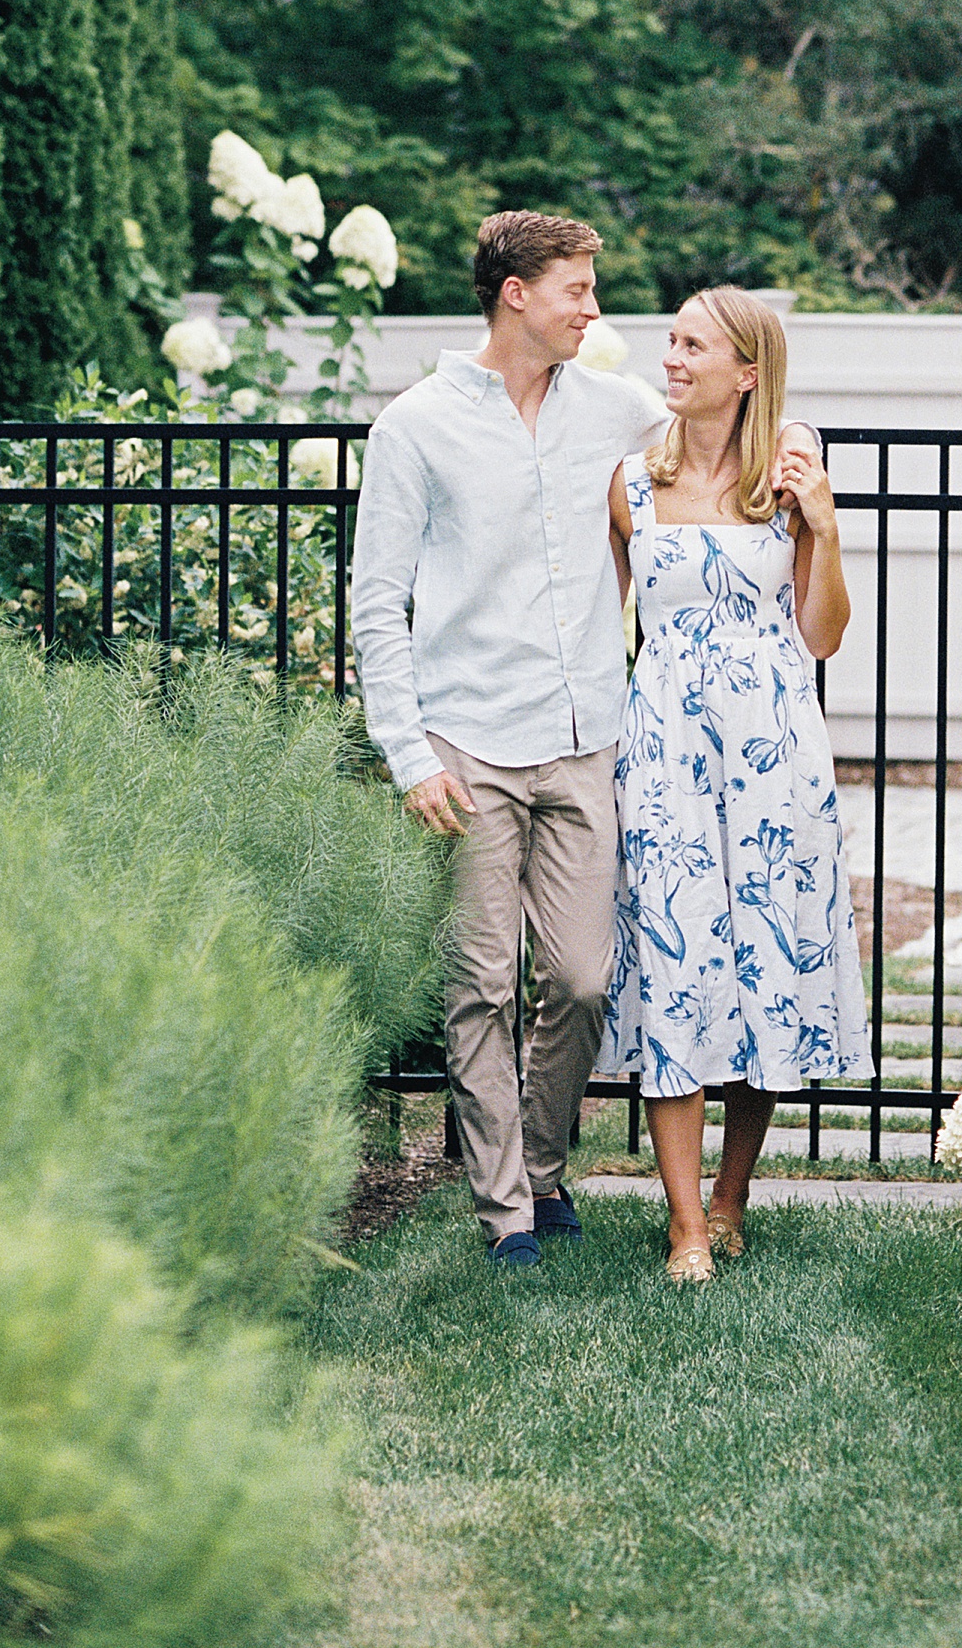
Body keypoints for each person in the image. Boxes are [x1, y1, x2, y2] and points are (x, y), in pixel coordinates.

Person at [350, 213, 821, 1268]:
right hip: (465, 739)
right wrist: (407, 751)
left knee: (583, 978)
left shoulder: (616, 410)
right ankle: (508, 1205)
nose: (595, 308)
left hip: (587, 738)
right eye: (578, 288)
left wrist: (800, 451)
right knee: (482, 980)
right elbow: (377, 602)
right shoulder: (415, 426)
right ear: (517, 291)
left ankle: (547, 1160)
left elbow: (737, 419)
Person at [600, 287, 868, 1282]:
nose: (671, 356)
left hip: (776, 749)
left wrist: (827, 527)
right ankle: (683, 1224)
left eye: (692, 343)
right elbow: (601, 630)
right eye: (669, 340)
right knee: (676, 955)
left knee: (763, 955)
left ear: (746, 369)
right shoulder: (630, 481)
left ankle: (732, 1190)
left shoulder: (788, 483)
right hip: (665, 746)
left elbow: (824, 634)